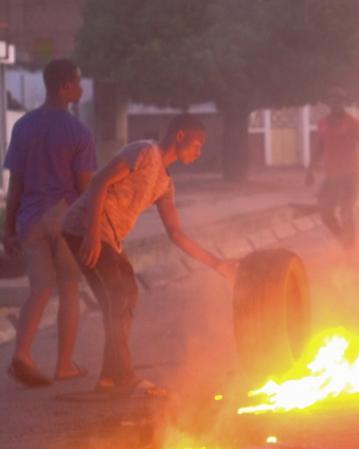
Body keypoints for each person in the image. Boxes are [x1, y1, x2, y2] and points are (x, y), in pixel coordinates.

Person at [61, 115, 237, 397]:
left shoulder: (165, 185)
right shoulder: (144, 151)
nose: (199, 152)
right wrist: (92, 235)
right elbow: (99, 183)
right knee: (119, 296)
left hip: (109, 238)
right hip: (84, 229)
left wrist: (218, 264)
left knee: (125, 295)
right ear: (180, 136)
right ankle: (125, 376)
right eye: (197, 144)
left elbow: (177, 235)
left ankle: (109, 377)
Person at [3, 58, 96, 387]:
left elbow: (15, 183)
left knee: (40, 289)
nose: (81, 88)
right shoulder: (79, 132)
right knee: (70, 289)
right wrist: (92, 231)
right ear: (64, 87)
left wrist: (7, 229)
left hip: (31, 220)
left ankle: (22, 354)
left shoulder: (23, 126)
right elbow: (85, 190)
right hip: (65, 217)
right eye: (77, 82)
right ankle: (64, 365)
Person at [302, 88, 359, 251]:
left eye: (339, 101)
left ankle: (350, 250)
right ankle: (344, 240)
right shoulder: (322, 123)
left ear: (344, 103)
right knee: (326, 213)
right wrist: (310, 171)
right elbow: (319, 147)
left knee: (346, 212)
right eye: (333, 100)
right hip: (332, 176)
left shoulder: (353, 122)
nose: (336, 104)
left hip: (350, 175)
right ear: (328, 103)